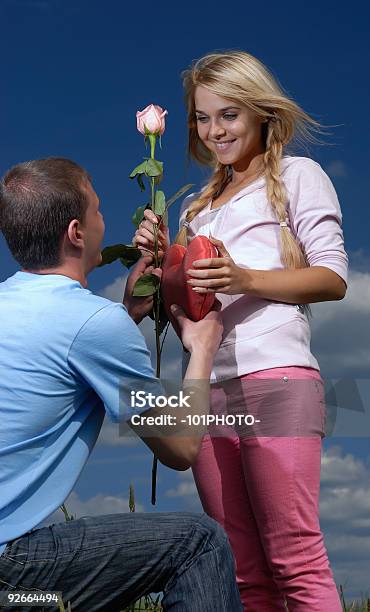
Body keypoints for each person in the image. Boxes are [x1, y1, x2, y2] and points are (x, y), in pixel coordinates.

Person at [133, 51, 349, 611]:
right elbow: (181, 307)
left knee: (294, 557)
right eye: (202, 118)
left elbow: (332, 278)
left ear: (259, 112)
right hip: (207, 389)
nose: (214, 131)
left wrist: (244, 276)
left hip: (276, 378)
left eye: (228, 115)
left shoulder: (299, 176)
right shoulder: (195, 208)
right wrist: (159, 265)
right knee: (243, 568)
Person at [0, 157, 244, 612]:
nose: (103, 219)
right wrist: (204, 348)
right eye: (97, 209)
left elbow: (63, 355)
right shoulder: (93, 324)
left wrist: (127, 314)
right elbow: (180, 448)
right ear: (76, 232)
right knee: (199, 543)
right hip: (14, 580)